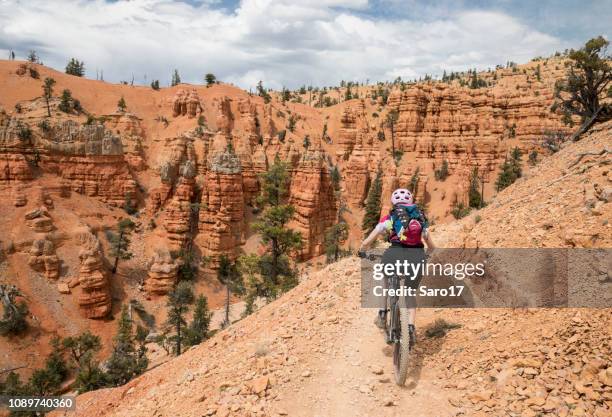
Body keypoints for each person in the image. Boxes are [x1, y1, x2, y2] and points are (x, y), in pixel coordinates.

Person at [358, 188, 435, 346]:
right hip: (417, 257)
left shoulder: (390, 217)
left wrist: (362, 250)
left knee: (385, 284)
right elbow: (432, 246)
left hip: (394, 255)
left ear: (394, 202)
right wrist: (426, 255)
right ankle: (411, 327)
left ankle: (382, 314)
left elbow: (369, 240)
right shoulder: (420, 218)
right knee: (410, 293)